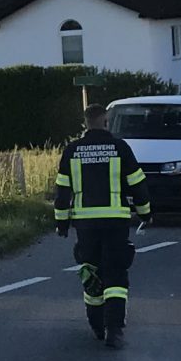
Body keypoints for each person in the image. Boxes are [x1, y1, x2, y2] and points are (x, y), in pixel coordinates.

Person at [51, 104, 151, 347]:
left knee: (92, 271)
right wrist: (145, 212)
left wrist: (61, 223)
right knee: (116, 273)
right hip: (116, 222)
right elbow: (137, 183)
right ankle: (114, 330)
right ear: (106, 123)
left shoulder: (72, 150)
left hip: (86, 224)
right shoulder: (120, 148)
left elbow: (62, 190)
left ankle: (96, 324)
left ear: (86, 123)